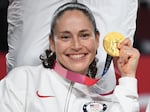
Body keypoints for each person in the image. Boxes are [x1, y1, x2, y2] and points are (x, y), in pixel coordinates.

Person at [0, 3, 140, 112]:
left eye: (84, 35)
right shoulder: (21, 80)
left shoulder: (105, 99)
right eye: (65, 37)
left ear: (98, 39)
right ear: (52, 43)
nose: (76, 45)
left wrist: (128, 78)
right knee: (26, 57)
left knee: (104, 69)